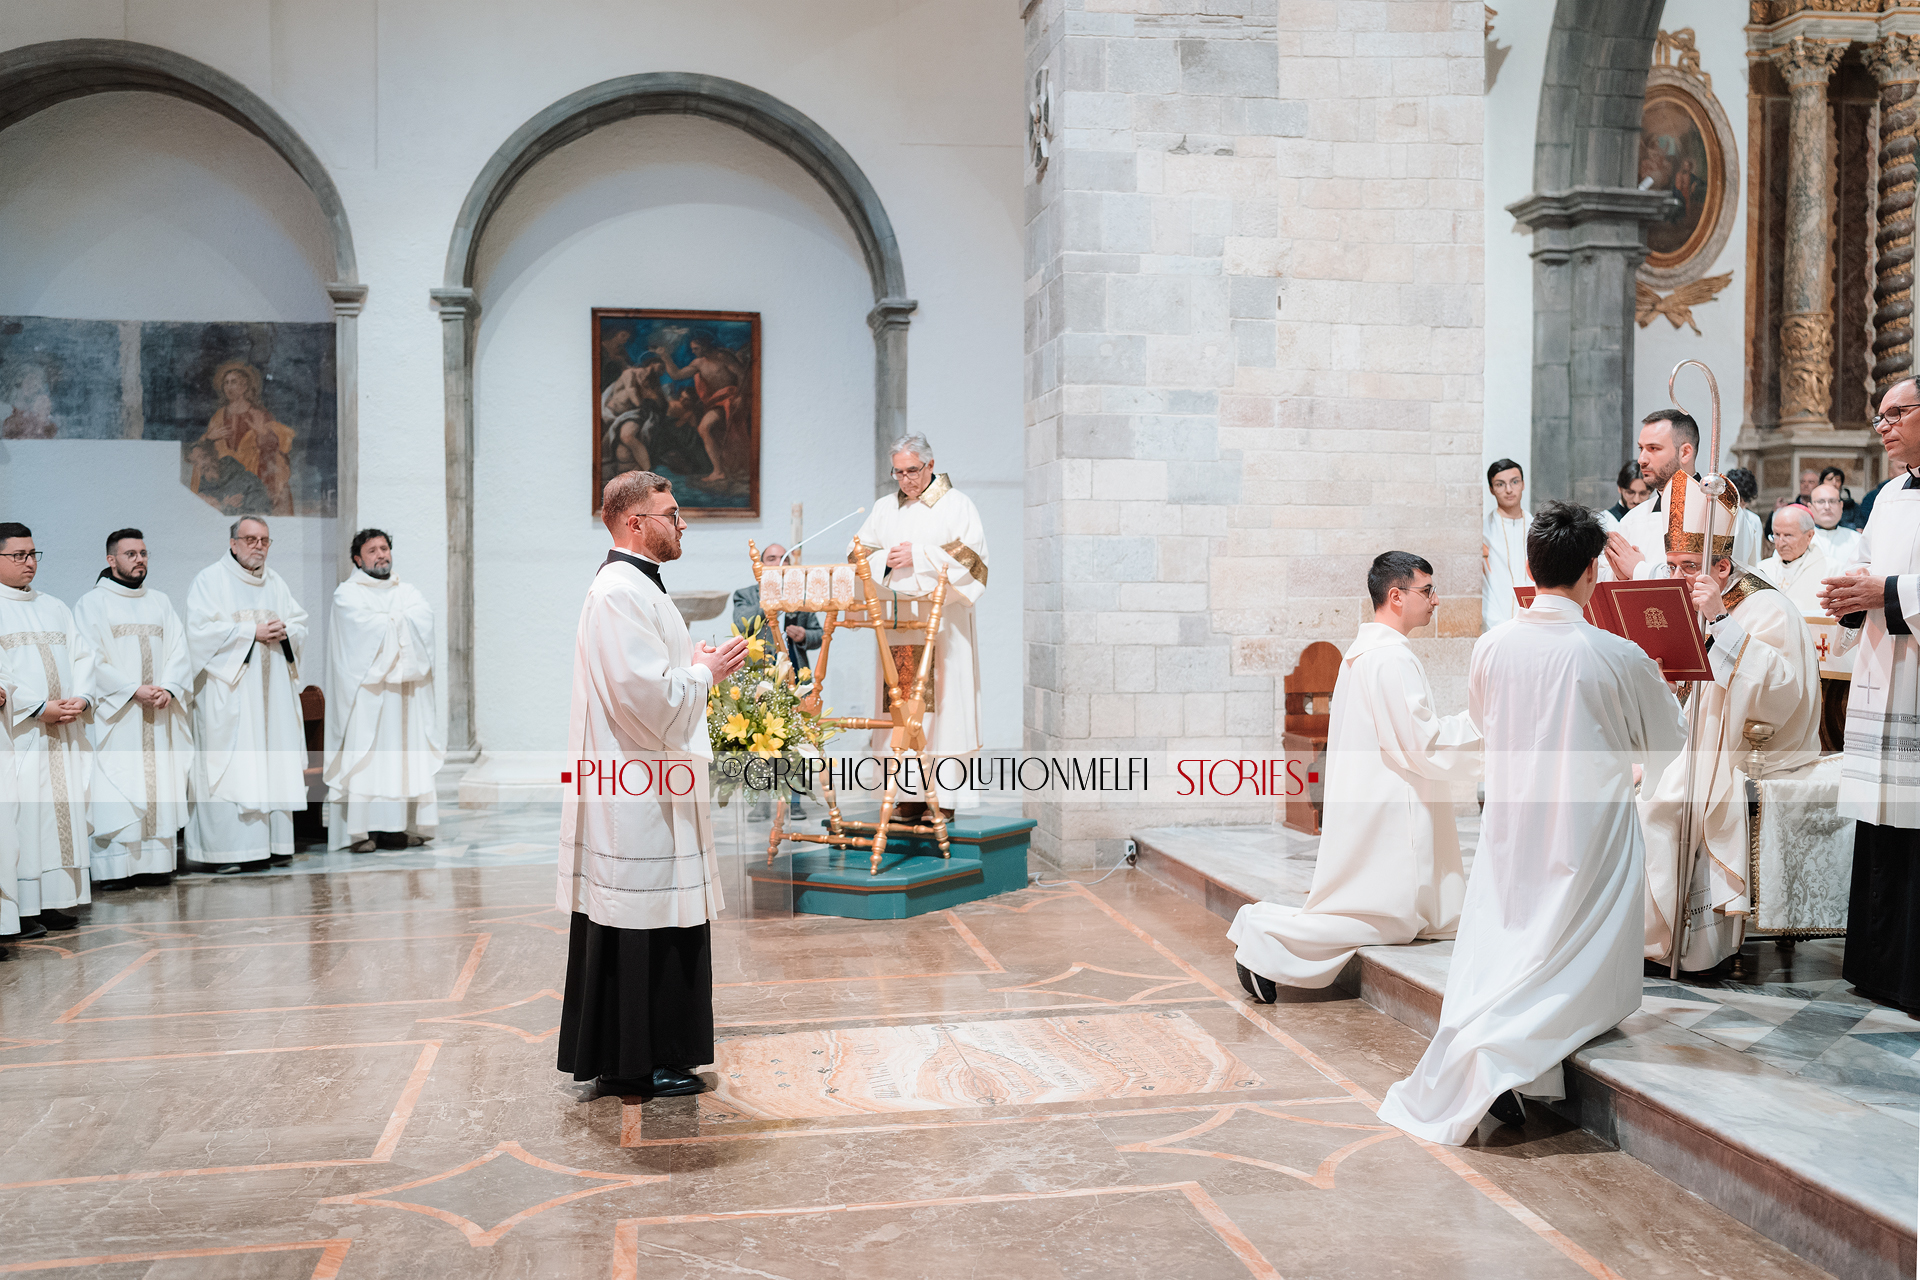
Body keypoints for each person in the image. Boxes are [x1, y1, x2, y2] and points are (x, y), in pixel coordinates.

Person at [1376, 503, 1685, 1143]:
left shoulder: (1492, 645)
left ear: (1528, 566)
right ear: (1593, 571)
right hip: (1587, 828)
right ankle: (1501, 1056)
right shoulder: (1617, 653)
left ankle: (1499, 1046)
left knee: (1514, 930)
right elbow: (1665, 737)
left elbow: (1487, 723)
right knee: (1571, 948)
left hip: (1515, 818)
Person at [557, 470, 748, 1098]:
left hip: (649, 782)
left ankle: (649, 1052)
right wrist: (703, 673)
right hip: (636, 790)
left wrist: (694, 667)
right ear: (634, 522)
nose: (682, 521)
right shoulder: (617, 592)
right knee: (640, 919)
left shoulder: (635, 587)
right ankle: (638, 1059)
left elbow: (654, 675)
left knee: (656, 915)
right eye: (671, 513)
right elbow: (646, 697)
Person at [1228, 551, 1481, 995]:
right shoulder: (1388, 658)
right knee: (1378, 920)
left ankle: (1263, 935)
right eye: (1427, 591)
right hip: (1390, 813)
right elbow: (1421, 743)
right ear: (1396, 596)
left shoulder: (1368, 652)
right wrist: (1484, 725)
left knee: (1413, 916)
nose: (1436, 601)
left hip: (1375, 801)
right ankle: (1264, 941)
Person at [1640, 476, 1822, 973]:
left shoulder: (1766, 606)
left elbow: (1780, 692)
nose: (1677, 577)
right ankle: (1644, 935)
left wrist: (1720, 620)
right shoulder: (1692, 602)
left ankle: (1686, 945)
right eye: (1672, 566)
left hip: (1753, 744)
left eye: (1688, 567)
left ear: (1721, 566)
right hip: (1701, 738)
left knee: (1663, 804)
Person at [1820, 375, 1920, 1010]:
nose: (1882, 427)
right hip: (1886, 675)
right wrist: (1850, 596)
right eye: (1879, 417)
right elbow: (1865, 566)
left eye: (1896, 414)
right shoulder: (1886, 498)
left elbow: (1893, 584)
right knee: (1882, 823)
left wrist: (1885, 593)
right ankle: (1878, 965)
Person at [853, 434, 990, 819]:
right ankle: (907, 797)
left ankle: (942, 800)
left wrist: (919, 555)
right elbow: (857, 553)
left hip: (943, 628)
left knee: (943, 710)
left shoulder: (957, 505)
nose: (905, 480)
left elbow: (975, 562)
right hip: (898, 627)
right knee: (901, 706)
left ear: (930, 466)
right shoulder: (884, 508)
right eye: (897, 472)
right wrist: (886, 559)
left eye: (912, 471)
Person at [185, 516, 309, 872]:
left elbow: (298, 621)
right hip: (232, 695)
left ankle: (275, 844)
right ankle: (230, 852)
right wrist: (249, 632)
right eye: (250, 539)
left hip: (272, 698)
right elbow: (198, 634)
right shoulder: (210, 580)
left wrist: (288, 631)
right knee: (233, 763)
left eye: (265, 540)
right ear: (233, 543)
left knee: (271, 758)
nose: (258, 546)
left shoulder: (277, 583)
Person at [74, 529, 192, 890]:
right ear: (111, 560)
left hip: (157, 713)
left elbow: (179, 650)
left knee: (158, 783)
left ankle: (157, 864)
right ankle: (115, 868)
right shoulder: (92, 604)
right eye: (130, 554)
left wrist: (169, 687)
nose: (139, 559)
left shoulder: (160, 601)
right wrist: (131, 690)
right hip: (119, 715)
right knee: (118, 784)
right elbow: (88, 660)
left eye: (143, 553)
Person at [0, 523, 93, 936]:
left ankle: (54, 901)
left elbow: (84, 657)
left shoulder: (55, 606)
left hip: (64, 731)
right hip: (23, 735)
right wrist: (39, 707)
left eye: (33, 553)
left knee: (60, 817)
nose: (29, 563)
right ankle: (23, 908)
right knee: (27, 821)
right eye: (18, 555)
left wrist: (83, 698)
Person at [325, 529, 443, 853]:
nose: (381, 554)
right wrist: (397, 623)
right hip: (370, 698)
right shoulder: (347, 595)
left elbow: (424, 620)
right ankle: (364, 831)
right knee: (370, 760)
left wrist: (389, 622)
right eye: (372, 550)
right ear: (357, 559)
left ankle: (399, 829)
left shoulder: (407, 591)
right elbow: (359, 631)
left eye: (384, 548)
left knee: (404, 759)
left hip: (404, 695)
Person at [1606, 408, 1698, 580]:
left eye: (1653, 448)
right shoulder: (1632, 519)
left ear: (1685, 452)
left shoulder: (1717, 512)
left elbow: (1730, 584)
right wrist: (1619, 577)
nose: (1641, 459)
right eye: (1641, 448)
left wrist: (1638, 570)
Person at [729, 542, 822, 671]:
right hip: (758, 670)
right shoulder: (745, 595)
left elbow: (819, 635)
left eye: (785, 559)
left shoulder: (801, 596)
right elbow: (740, 626)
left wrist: (804, 635)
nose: (780, 562)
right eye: (772, 559)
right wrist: (770, 598)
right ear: (761, 565)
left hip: (794, 668)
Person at [1480, 459, 1529, 630]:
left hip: (1535, 623)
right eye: (1500, 484)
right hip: (1495, 625)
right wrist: (1497, 626)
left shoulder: (1538, 528)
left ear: (1523, 484)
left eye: (1514, 482)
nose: (1509, 490)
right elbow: (1483, 586)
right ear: (1491, 489)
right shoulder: (1483, 532)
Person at [1758, 505, 1831, 611]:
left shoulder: (1830, 571)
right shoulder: (1761, 570)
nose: (1781, 543)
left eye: (1788, 535)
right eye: (1777, 535)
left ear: (1809, 536)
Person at [1811, 483, 1865, 565]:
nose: (1827, 507)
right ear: (1810, 507)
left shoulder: (1857, 539)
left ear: (1841, 506)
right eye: (1821, 501)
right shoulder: (1801, 539)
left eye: (1832, 501)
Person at [1724, 467, 1765, 566]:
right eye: (1738, 499)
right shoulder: (1720, 515)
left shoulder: (1754, 520)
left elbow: (1756, 555)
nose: (1740, 505)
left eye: (1744, 501)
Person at [1600, 461, 1650, 530]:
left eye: (1643, 493)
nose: (1636, 500)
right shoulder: (1605, 521)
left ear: (1650, 492)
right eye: (1630, 492)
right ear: (1620, 488)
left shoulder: (1657, 520)